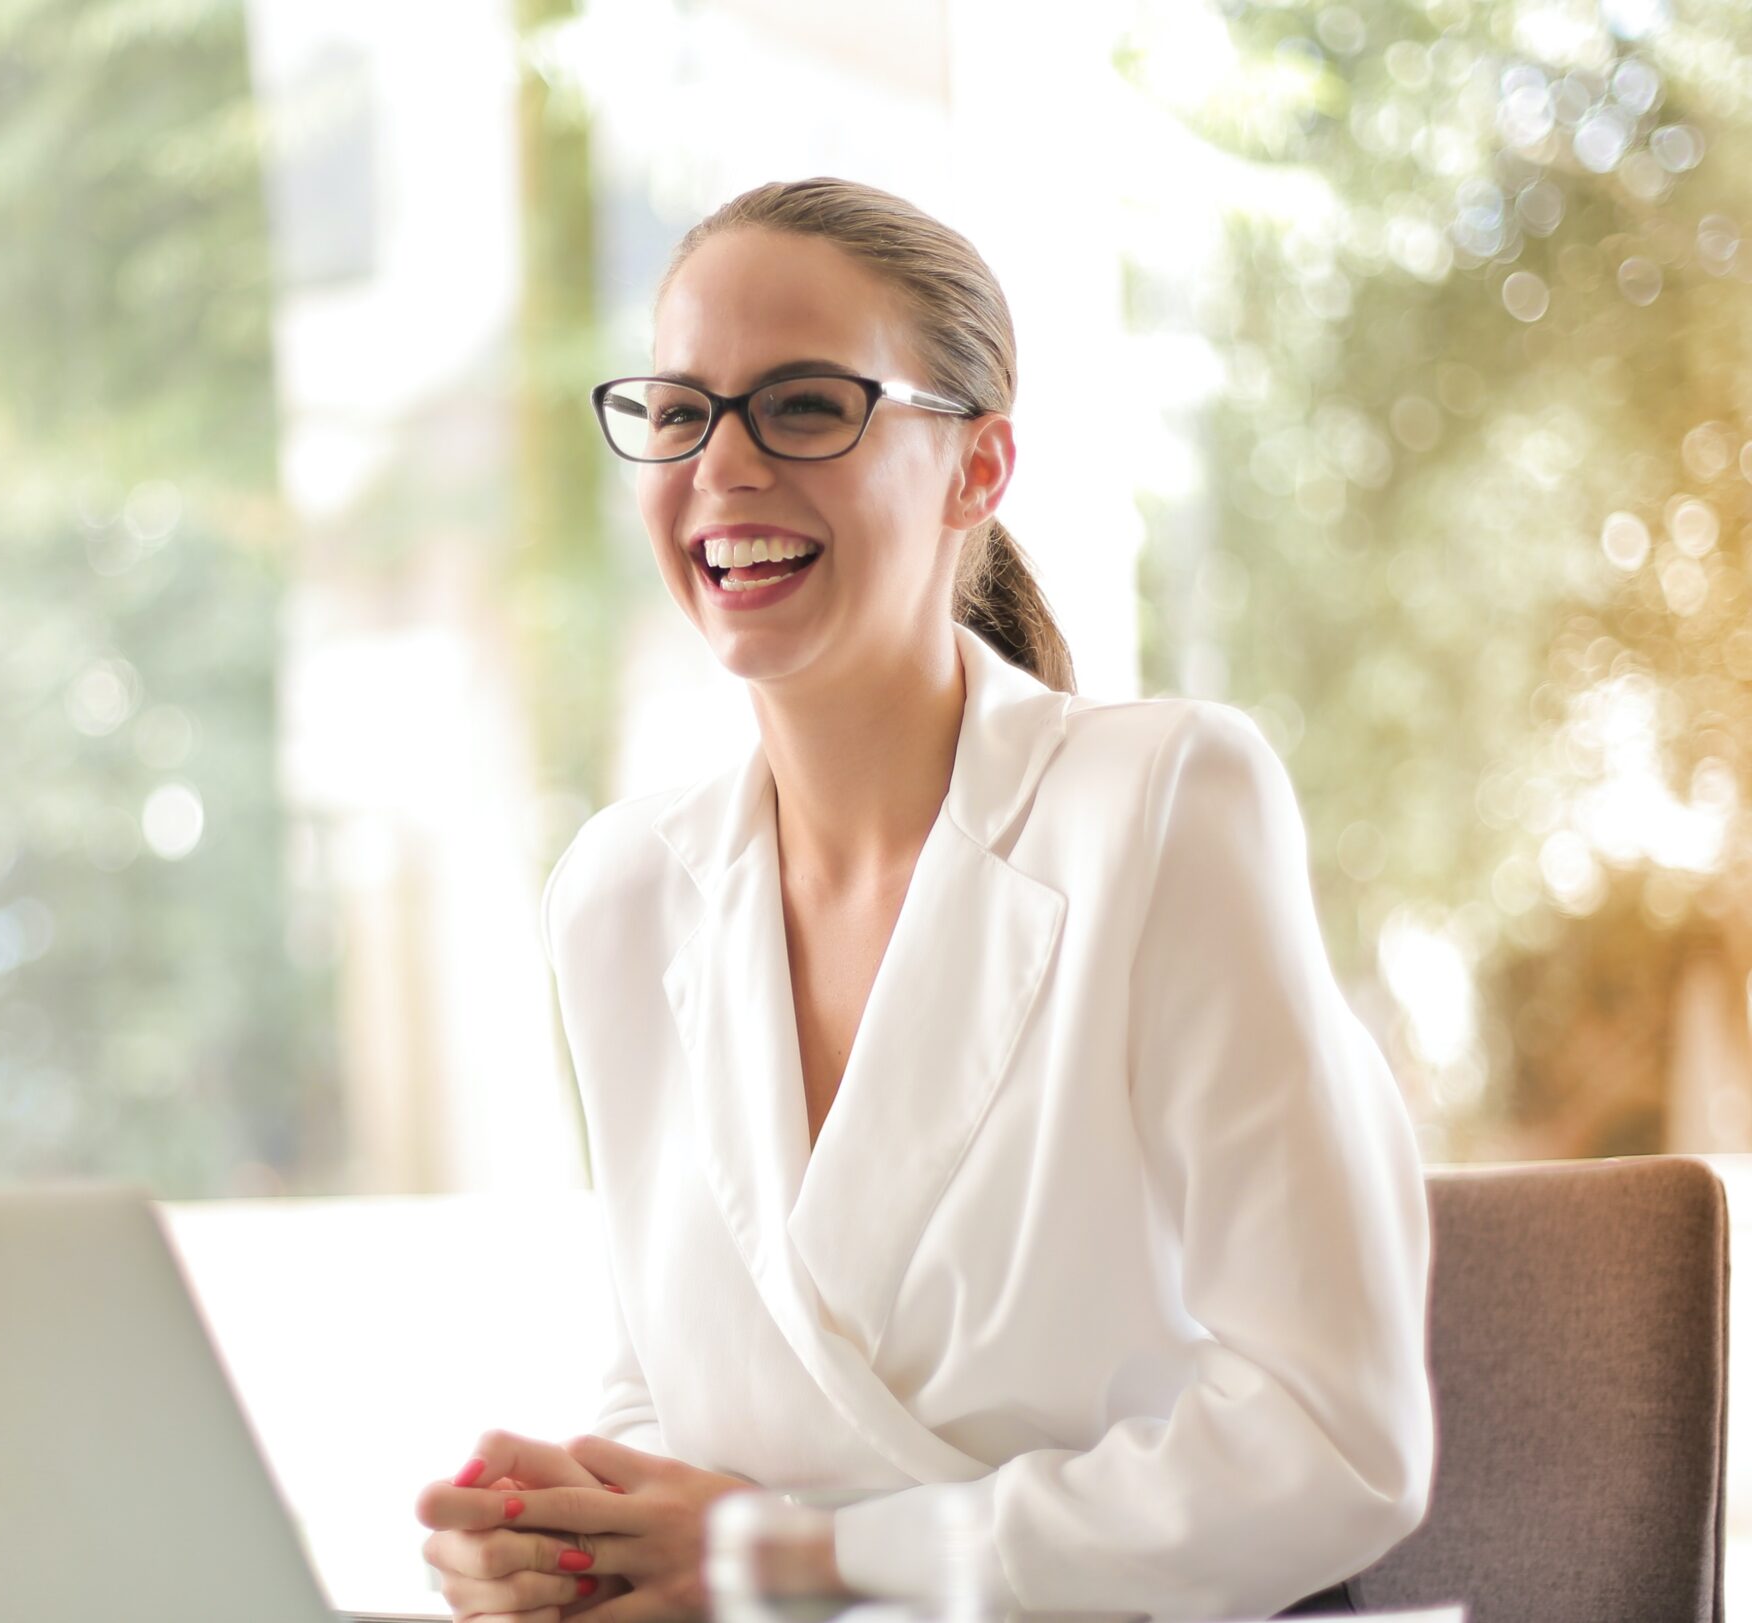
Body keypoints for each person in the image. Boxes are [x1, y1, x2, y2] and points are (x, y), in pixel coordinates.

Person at [410, 177, 1435, 1623]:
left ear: (979, 468)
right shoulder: (620, 897)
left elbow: (1335, 1449)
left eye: (807, 407)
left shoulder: (1158, 806)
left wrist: (797, 1562)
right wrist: (566, 1537)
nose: (725, 466)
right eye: (680, 411)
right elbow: (674, 1386)